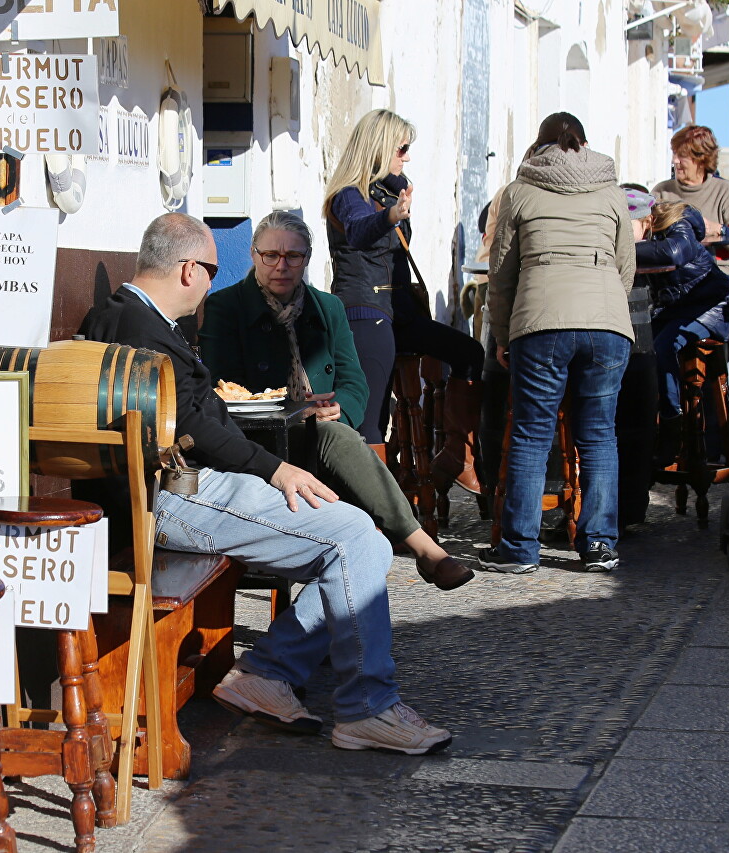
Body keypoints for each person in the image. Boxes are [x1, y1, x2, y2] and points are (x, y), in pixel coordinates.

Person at [82, 212, 452, 755]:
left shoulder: (131, 318)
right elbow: (196, 427)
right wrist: (278, 470)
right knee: (354, 537)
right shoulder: (142, 330)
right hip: (175, 497)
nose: (211, 282)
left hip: (180, 487)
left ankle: (270, 671)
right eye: (210, 269)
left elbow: (192, 419)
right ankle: (365, 708)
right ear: (189, 270)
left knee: (363, 538)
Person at [199, 211, 473, 590]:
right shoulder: (225, 307)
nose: (282, 265)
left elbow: (354, 381)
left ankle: (352, 609)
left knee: (338, 436)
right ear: (254, 255)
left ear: (306, 260)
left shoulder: (328, 308)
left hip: (322, 433)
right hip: (261, 439)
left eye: (293, 256)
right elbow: (223, 389)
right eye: (271, 255)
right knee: (339, 441)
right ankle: (424, 547)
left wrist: (338, 407)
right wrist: (295, 410)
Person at [480, 112, 636, 574]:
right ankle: (599, 544)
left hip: (541, 320)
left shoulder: (520, 191)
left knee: (531, 433)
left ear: (539, 144)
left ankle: (519, 548)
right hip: (606, 321)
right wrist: (604, 306)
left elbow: (502, 273)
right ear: (583, 143)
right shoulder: (610, 190)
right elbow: (625, 265)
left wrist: (503, 333)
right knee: (599, 434)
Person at [324, 109, 485, 493]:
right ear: (379, 147)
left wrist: (394, 204)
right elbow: (361, 231)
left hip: (401, 314)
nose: (407, 156)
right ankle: (373, 512)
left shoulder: (388, 191)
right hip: (365, 313)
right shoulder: (349, 196)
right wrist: (390, 216)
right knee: (371, 416)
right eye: (402, 148)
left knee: (469, 353)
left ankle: (455, 454)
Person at [626, 191, 729, 464]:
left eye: (628, 228)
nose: (624, 236)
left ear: (646, 219)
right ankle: (647, 429)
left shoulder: (677, 221)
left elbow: (676, 252)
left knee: (663, 347)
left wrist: (620, 250)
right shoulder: (643, 239)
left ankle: (673, 424)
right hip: (675, 307)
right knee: (639, 351)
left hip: (710, 305)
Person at [653, 125, 729, 275]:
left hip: (715, 279)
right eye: (674, 154)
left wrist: (718, 230)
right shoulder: (661, 192)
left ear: (701, 159)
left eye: (682, 155)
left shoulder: (725, 191)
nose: (675, 160)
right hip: (669, 281)